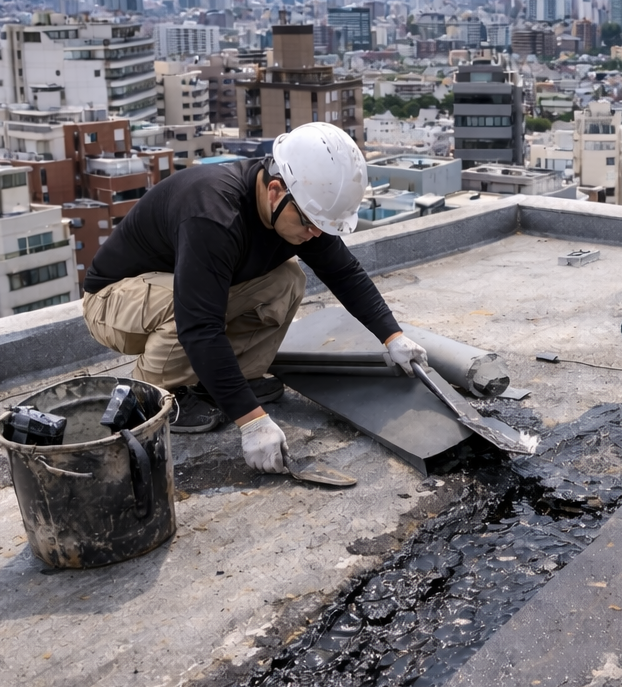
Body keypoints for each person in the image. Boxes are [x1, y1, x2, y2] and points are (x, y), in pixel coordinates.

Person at [80, 123, 428, 473]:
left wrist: (393, 336)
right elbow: (199, 326)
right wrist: (252, 421)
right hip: (112, 302)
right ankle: (154, 395)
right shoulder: (214, 214)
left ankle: (213, 384)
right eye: (309, 223)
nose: (315, 234)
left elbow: (344, 273)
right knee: (186, 306)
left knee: (287, 280)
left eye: (321, 225)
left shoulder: (299, 207)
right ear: (275, 191)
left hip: (173, 291)